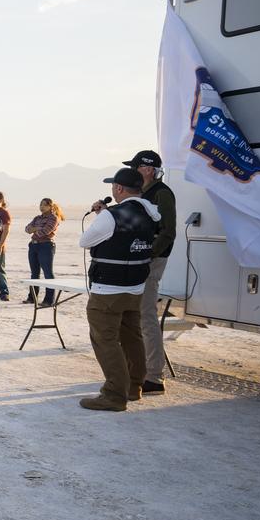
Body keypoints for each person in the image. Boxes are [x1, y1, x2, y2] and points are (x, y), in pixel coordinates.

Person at [78, 169, 161, 411]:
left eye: (113, 186)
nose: (112, 190)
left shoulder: (111, 215)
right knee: (131, 335)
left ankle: (115, 394)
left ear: (119, 189)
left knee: (105, 339)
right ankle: (134, 386)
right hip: (135, 285)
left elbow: (85, 241)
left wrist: (101, 216)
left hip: (108, 286)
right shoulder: (151, 213)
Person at [126, 149, 177, 395]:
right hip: (141, 260)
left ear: (146, 169)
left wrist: (148, 254)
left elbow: (168, 231)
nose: (133, 173)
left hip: (151, 261)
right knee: (137, 315)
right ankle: (140, 370)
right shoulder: (145, 193)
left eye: (135, 168)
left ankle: (154, 376)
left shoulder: (162, 194)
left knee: (146, 315)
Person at [23, 198, 63, 306]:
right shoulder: (37, 218)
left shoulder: (53, 218)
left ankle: (49, 300)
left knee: (48, 273)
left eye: (45, 205)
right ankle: (32, 297)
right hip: (34, 245)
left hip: (45, 246)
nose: (42, 207)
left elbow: (45, 232)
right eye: (41, 204)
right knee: (34, 273)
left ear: (50, 206)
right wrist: (37, 228)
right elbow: (27, 229)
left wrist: (34, 229)